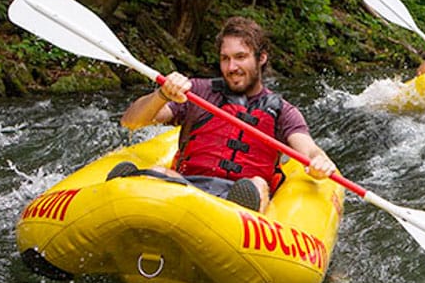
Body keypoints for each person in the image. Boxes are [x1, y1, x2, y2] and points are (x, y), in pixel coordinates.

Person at [112, 16, 336, 214]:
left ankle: (240, 212)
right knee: (157, 173)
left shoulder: (282, 111)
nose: (231, 67)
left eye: (240, 57)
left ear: (261, 58)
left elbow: (309, 150)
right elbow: (131, 121)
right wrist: (162, 94)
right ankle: (128, 193)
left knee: (258, 184)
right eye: (225, 58)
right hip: (186, 188)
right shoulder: (197, 92)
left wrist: (319, 163)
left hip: (241, 198)